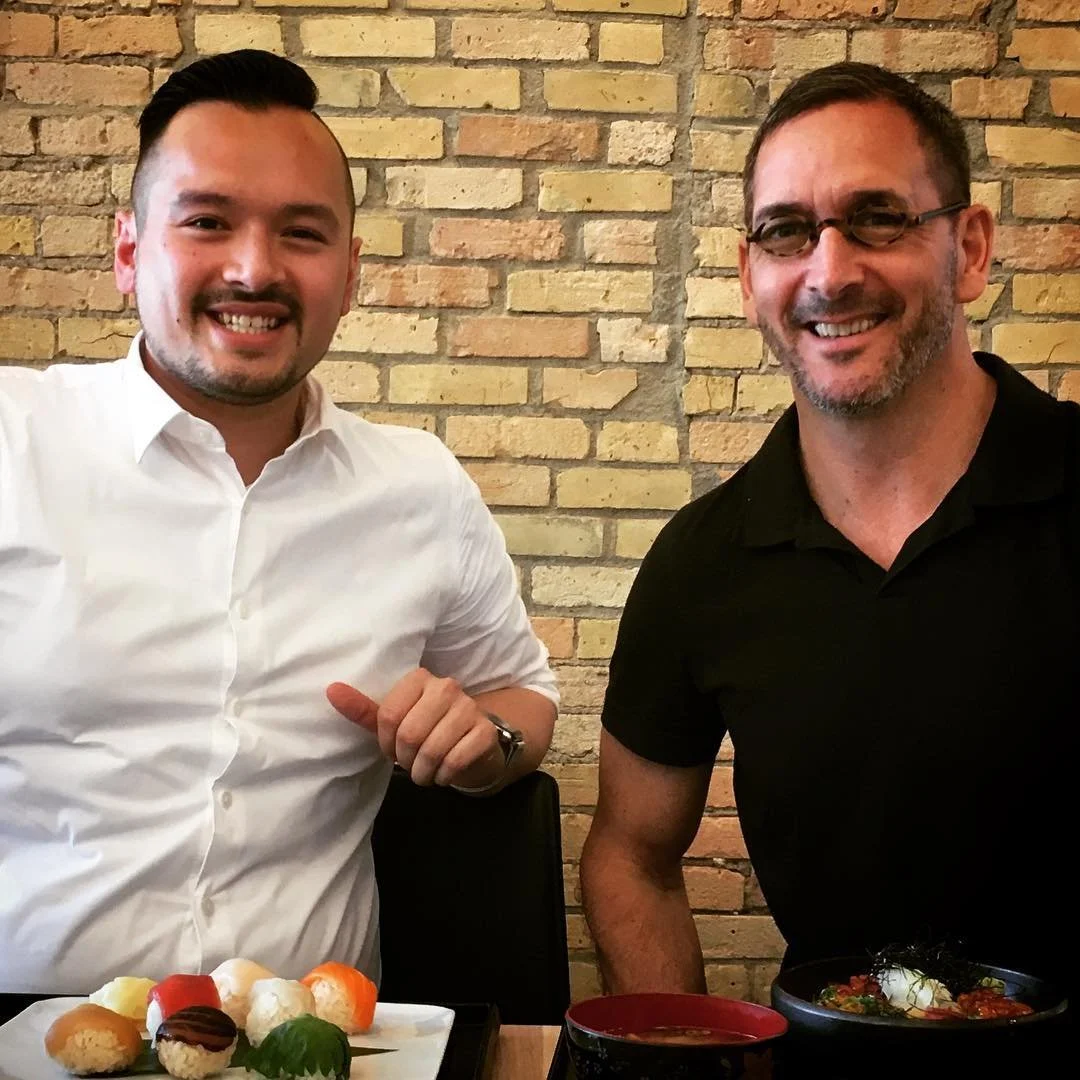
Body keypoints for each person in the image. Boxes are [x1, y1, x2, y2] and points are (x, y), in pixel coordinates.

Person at [0, 50, 557, 995]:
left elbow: (522, 699)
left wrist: (480, 745)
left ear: (350, 273)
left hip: (309, 1041)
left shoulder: (420, 489)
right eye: (208, 222)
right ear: (129, 250)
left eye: (302, 233)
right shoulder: (15, 440)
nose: (254, 270)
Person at [580, 61, 1077, 1010]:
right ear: (749, 275)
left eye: (879, 218)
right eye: (787, 232)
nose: (830, 270)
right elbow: (630, 854)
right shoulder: (703, 564)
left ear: (969, 249)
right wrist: (692, 1061)